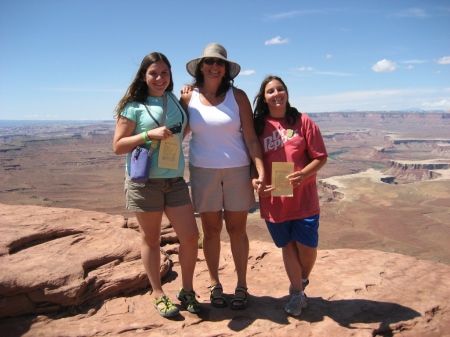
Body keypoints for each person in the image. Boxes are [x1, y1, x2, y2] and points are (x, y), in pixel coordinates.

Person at [113, 52, 201, 318]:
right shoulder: (133, 106)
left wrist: (185, 101)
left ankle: (187, 290)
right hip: (145, 181)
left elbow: (182, 131)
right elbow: (118, 146)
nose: (160, 78)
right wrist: (147, 134)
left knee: (190, 236)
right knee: (151, 239)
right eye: (153, 73)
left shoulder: (175, 99)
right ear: (144, 76)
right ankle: (157, 292)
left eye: (164, 73)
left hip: (174, 179)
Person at [180, 43, 266, 310]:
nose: (214, 67)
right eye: (209, 62)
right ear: (201, 67)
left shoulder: (237, 96)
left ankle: (241, 285)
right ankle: (214, 283)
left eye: (219, 63)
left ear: (226, 69)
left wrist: (260, 170)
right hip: (203, 171)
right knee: (212, 230)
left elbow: (251, 138)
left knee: (237, 229)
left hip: (238, 170)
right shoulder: (188, 97)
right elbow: (179, 134)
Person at [252, 75, 328, 316]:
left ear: (287, 93)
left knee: (307, 248)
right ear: (264, 97)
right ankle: (297, 294)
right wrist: (256, 179)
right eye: (270, 91)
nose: (276, 94)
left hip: (303, 198)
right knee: (287, 246)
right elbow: (253, 159)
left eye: (280, 89)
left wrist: (303, 175)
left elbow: (320, 157)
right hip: (275, 200)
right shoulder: (258, 125)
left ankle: (301, 281)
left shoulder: (303, 121)